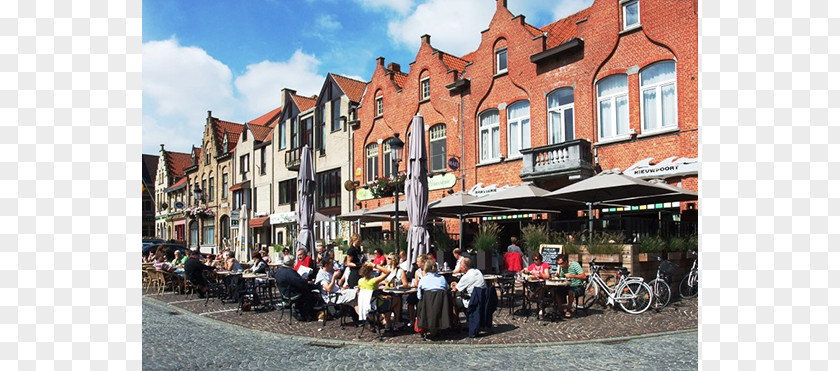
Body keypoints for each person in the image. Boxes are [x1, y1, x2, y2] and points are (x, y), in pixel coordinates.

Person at [273, 255, 320, 321]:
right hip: (292, 294)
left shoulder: (279, 271)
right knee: (309, 293)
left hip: (283, 293)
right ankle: (304, 313)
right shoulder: (290, 272)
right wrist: (306, 279)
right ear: (292, 263)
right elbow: (301, 283)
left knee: (307, 290)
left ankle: (302, 311)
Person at [314, 257, 358, 322]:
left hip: (338, 292)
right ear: (326, 265)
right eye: (331, 264)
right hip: (332, 296)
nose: (333, 266)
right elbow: (328, 289)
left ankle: (362, 319)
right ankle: (364, 319)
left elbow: (335, 286)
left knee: (355, 300)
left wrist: (341, 287)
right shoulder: (322, 275)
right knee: (356, 293)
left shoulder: (330, 272)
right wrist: (334, 278)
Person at [357, 262, 397, 329]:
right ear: (371, 271)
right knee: (396, 300)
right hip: (376, 305)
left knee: (385, 299)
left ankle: (384, 320)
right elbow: (388, 272)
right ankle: (392, 322)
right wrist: (375, 265)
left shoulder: (360, 281)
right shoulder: (374, 281)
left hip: (366, 305)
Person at [554, 254, 585, 318]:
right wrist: (558, 276)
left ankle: (568, 310)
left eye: (562, 263)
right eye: (559, 264)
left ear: (566, 261)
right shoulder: (562, 268)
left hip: (577, 286)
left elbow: (583, 276)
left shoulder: (575, 265)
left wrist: (572, 276)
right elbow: (562, 277)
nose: (561, 265)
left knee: (571, 292)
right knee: (555, 291)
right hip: (567, 285)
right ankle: (561, 310)